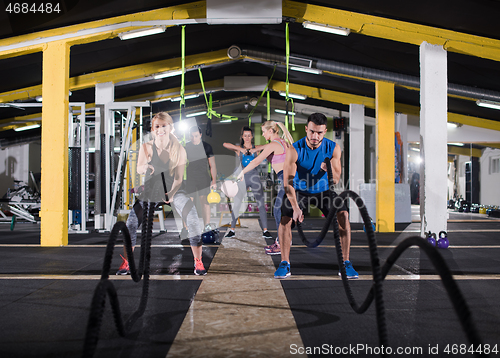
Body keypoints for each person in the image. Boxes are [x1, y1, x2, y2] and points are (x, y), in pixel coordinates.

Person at [116, 112, 206, 276]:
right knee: (131, 223)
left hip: (175, 190)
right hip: (151, 190)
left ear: (170, 127)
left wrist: (171, 194)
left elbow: (179, 178)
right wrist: (146, 168)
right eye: (157, 126)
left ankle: (198, 261)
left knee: (192, 218)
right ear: (153, 129)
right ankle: (127, 262)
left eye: (164, 126)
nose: (160, 129)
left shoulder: (180, 150)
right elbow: (139, 167)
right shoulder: (147, 147)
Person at [274, 113, 358, 279]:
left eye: (319, 133)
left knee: (343, 214)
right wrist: (296, 208)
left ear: (325, 131)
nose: (314, 136)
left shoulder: (333, 148)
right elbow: (287, 183)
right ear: (306, 129)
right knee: (285, 217)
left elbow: (335, 179)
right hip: (299, 190)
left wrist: (328, 168)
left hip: (323, 190)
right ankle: (285, 263)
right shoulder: (295, 149)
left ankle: (346, 262)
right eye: (311, 132)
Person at [236, 121, 294, 255]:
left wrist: (242, 172)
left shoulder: (274, 144)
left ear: (271, 131)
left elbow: (256, 161)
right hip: (288, 179)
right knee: (281, 211)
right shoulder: (282, 142)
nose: (262, 134)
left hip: (285, 179)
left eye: (264, 131)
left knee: (278, 211)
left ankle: (282, 243)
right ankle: (282, 241)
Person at [223, 126, 272, 240]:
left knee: (261, 203)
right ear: (242, 137)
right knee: (237, 204)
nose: (247, 137)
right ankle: (232, 230)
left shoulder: (256, 148)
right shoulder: (239, 148)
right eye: (245, 135)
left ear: (252, 136)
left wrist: (255, 150)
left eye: (249, 135)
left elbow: (269, 146)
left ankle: (265, 230)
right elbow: (225, 144)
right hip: (242, 178)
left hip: (254, 177)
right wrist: (240, 149)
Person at [184, 125, 217, 231]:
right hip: (190, 179)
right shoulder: (186, 147)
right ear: (190, 136)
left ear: (200, 135)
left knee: (205, 203)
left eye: (196, 136)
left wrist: (214, 181)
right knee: (188, 204)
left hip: (204, 178)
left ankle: (206, 226)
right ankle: (186, 229)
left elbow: (212, 165)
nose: (194, 138)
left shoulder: (207, 147)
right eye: (192, 136)